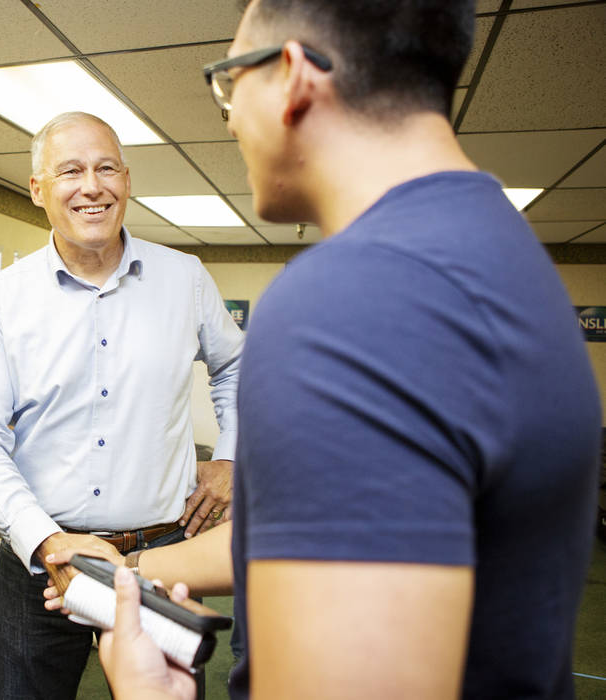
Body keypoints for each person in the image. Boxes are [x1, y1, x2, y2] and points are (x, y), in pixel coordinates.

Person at [66, 1, 603, 698]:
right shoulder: (495, 245)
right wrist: (130, 575)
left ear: (291, 76)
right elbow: (341, 527)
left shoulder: (352, 298)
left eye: (229, 85)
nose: (229, 119)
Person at [0, 111, 245, 699]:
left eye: (106, 168)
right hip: (42, 558)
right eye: (70, 171)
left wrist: (230, 458)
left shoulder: (184, 278)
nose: (92, 185)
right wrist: (47, 542)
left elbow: (237, 367)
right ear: (39, 189)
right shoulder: (2, 299)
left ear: (127, 182)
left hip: (164, 555)